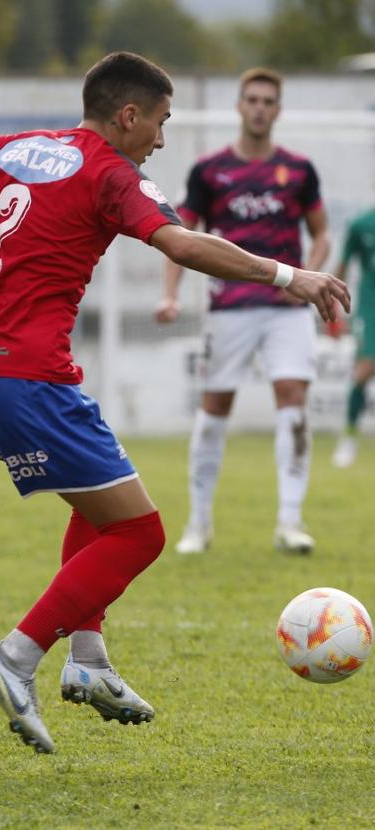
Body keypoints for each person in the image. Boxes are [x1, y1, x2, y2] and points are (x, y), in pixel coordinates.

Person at [0, 51, 348, 754]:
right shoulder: (112, 173)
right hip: (32, 381)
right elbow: (184, 244)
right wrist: (287, 274)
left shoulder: (9, 148)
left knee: (100, 503)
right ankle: (15, 659)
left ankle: (89, 662)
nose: (162, 141)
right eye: (161, 123)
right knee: (140, 534)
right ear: (129, 115)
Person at [156, 68, 331, 555]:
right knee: (216, 406)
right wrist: (170, 295)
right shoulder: (210, 170)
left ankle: (290, 522)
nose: (259, 107)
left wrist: (308, 278)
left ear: (278, 110)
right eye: (251, 99)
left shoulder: (298, 170)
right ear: (239, 106)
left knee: (293, 397)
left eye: (268, 101)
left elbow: (322, 234)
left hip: (285, 309)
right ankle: (199, 524)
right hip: (229, 308)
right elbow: (182, 238)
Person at [331, 205, 375, 467]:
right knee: (365, 368)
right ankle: (348, 438)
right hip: (371, 308)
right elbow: (342, 266)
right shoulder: (361, 225)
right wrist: (333, 310)